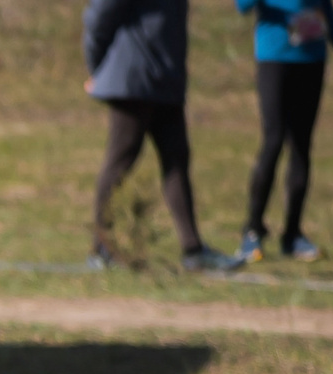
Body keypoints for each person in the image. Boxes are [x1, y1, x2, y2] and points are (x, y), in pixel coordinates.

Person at [84, 0, 242, 273]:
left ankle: (193, 250)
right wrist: (98, 67)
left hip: (166, 82)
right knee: (121, 160)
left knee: (176, 161)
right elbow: (97, 18)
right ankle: (101, 248)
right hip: (133, 80)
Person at [234, 0, 333, 263]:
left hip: (312, 57)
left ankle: (293, 235)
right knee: (274, 139)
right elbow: (242, 6)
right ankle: (253, 231)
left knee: (301, 146)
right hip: (275, 56)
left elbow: (325, 6)